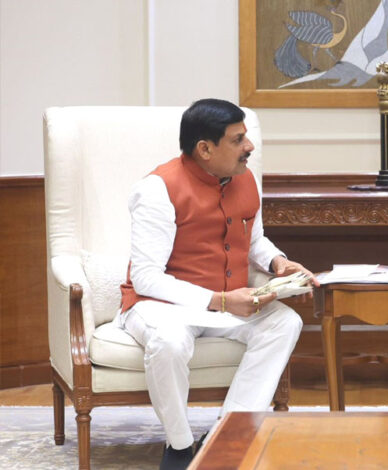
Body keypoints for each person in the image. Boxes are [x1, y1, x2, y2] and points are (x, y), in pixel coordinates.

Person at [114, 98, 318, 470]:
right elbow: (146, 277)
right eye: (238, 140)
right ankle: (179, 446)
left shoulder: (246, 179)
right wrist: (221, 300)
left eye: (247, 137)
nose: (249, 147)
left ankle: (229, 432)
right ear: (205, 149)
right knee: (168, 342)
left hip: (226, 304)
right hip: (160, 306)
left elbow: (254, 240)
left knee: (285, 322)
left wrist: (278, 262)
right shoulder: (157, 189)